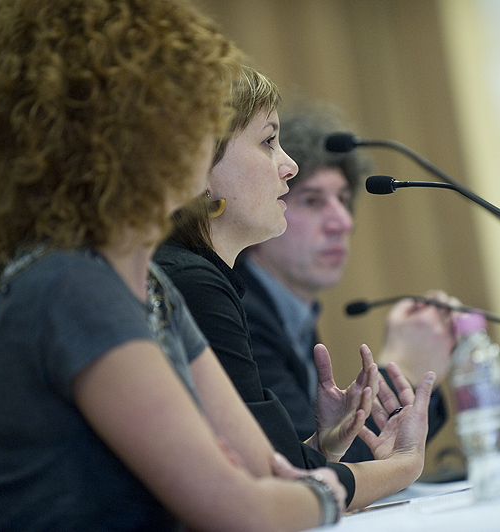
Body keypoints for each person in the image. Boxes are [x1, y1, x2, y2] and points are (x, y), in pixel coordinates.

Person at [0, 1, 366, 530]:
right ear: (128, 134)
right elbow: (245, 510)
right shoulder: (69, 285)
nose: (208, 128)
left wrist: (304, 483)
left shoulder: (151, 284)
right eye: (193, 109)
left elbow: (267, 475)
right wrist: (328, 490)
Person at [155, 66, 438, 511]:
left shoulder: (201, 276)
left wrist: (321, 448)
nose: (289, 166)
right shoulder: (193, 284)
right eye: (268, 142)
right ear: (199, 166)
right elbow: (281, 486)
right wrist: (402, 464)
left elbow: (272, 464)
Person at [237, 100, 459, 462]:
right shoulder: (242, 313)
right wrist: (403, 373)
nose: (343, 222)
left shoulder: (292, 312)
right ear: (263, 205)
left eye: (342, 199)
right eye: (313, 201)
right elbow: (310, 467)